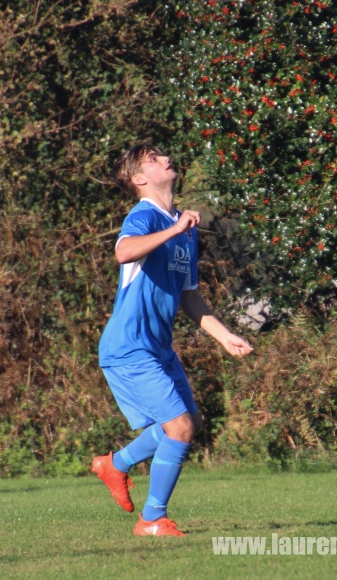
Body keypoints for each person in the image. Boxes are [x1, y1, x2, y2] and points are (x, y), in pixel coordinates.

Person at [91, 142, 254, 537]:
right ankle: (152, 520)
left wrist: (224, 336)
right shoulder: (145, 215)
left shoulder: (183, 226)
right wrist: (173, 230)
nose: (166, 159)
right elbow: (123, 252)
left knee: (190, 424)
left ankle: (115, 465)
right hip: (129, 346)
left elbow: (189, 296)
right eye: (153, 159)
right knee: (178, 428)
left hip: (159, 348)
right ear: (139, 178)